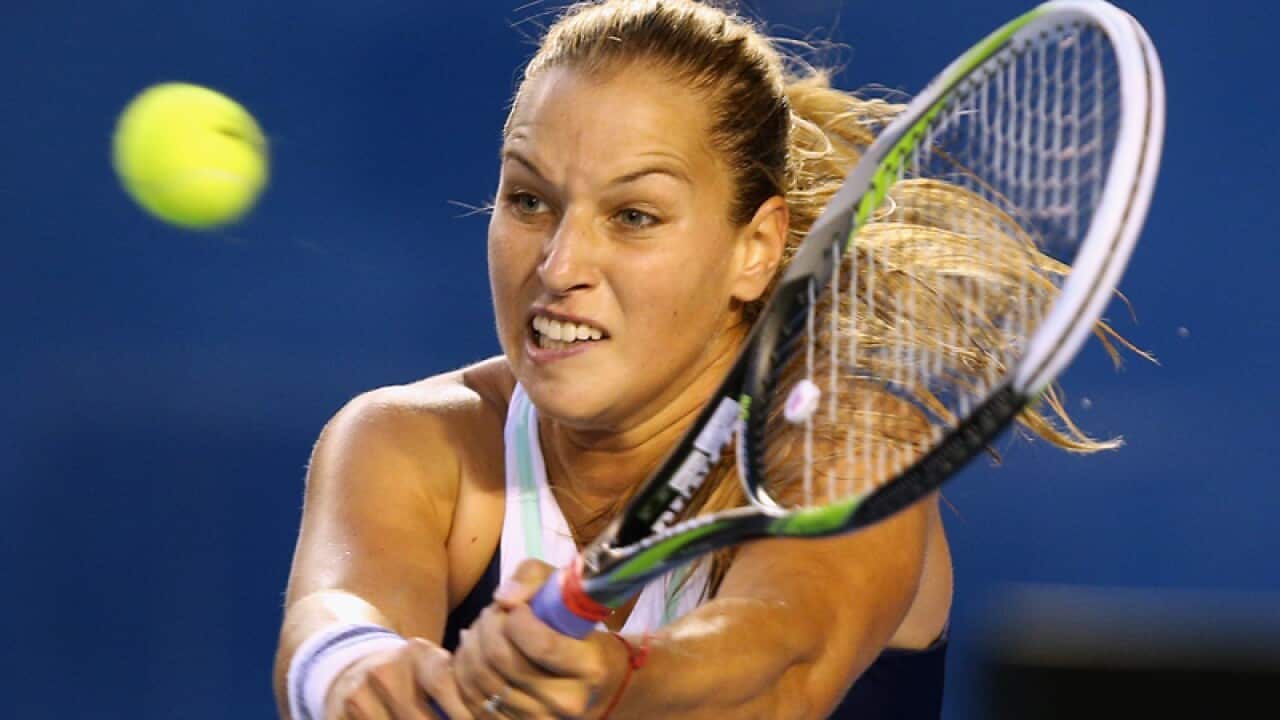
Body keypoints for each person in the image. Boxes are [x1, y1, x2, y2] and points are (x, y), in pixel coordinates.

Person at [273, 1, 1119, 717]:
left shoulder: (845, 449)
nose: (559, 266)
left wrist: (617, 679)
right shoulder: (413, 442)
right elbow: (333, 615)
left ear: (755, 248)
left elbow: (781, 660)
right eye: (529, 200)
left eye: (635, 215)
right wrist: (361, 675)